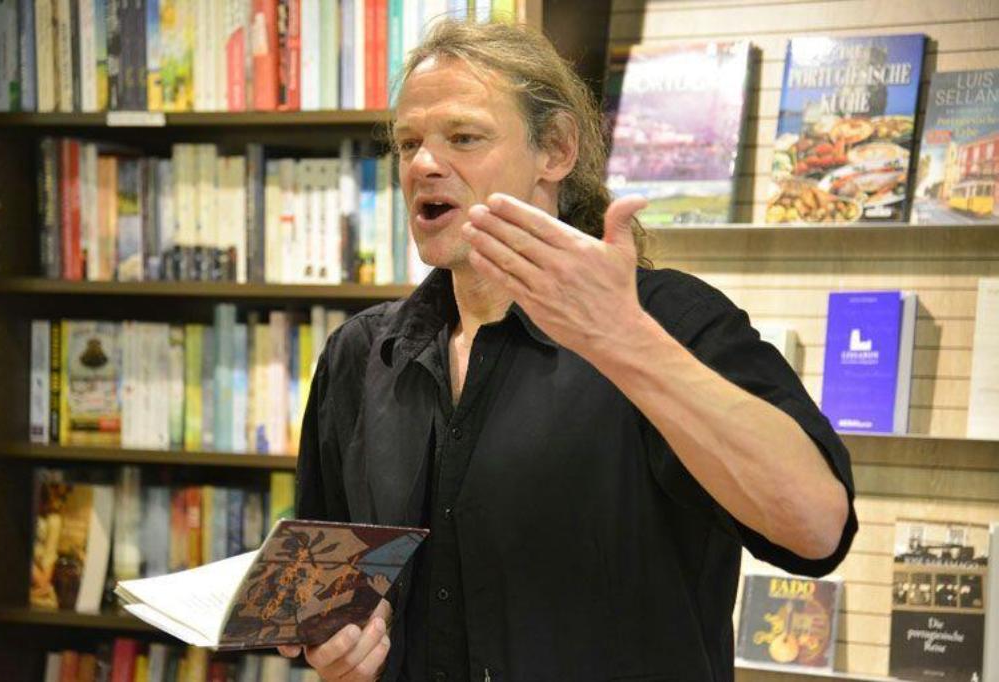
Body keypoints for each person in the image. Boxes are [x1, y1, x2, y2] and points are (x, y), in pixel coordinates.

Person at [279, 18, 857, 682]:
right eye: (409, 143)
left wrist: (628, 345)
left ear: (554, 149)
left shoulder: (669, 321)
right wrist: (339, 648)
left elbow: (816, 527)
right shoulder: (359, 354)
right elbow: (329, 598)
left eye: (463, 137)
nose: (423, 166)